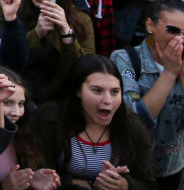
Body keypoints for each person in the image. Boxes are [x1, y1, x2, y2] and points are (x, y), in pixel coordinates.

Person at [27, 54, 156, 188]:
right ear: (78, 90)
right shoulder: (49, 119)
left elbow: (148, 183)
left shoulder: (131, 126)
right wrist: (75, 183)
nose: (108, 100)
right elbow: (39, 176)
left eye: (114, 92)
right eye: (97, 90)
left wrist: (124, 185)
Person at [111, 0, 184, 188]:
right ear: (150, 25)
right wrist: (169, 73)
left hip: (172, 167)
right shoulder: (124, 59)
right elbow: (134, 117)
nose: (180, 40)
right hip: (132, 168)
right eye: (173, 30)